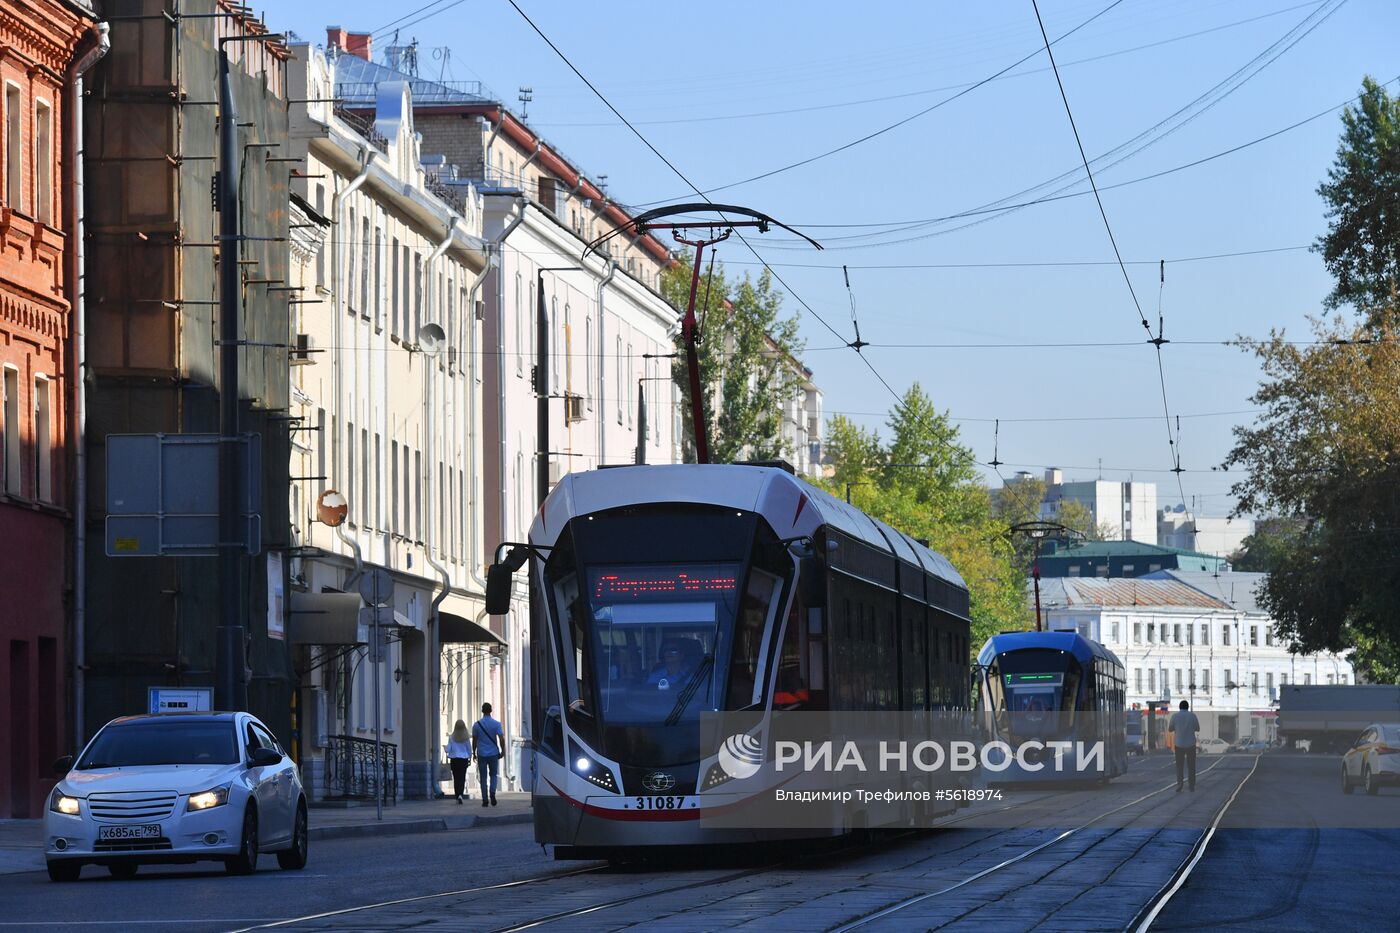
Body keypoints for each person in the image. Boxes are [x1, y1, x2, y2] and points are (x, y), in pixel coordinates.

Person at [472, 702, 505, 807]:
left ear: (482, 711)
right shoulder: (496, 724)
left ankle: (485, 799)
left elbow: (474, 740)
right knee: (493, 775)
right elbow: (501, 738)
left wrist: (474, 753)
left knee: (483, 777)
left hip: (481, 753)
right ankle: (492, 792)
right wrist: (503, 750)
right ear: (491, 711)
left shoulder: (476, 725)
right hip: (493, 753)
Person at [1169, 700, 1201, 792]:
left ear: (1179, 707)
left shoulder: (1175, 716)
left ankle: (1180, 784)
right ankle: (1191, 785)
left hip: (1179, 744)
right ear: (1188, 707)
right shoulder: (1192, 716)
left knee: (1179, 765)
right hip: (1191, 744)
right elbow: (1197, 728)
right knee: (1191, 765)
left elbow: (1170, 729)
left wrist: (1177, 727)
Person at [446, 720, 472, 804]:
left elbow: (448, 749)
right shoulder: (466, 738)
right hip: (463, 759)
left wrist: (446, 749)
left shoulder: (451, 737)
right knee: (462, 777)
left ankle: (457, 795)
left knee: (456, 778)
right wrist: (470, 757)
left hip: (454, 759)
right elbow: (469, 749)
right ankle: (461, 794)